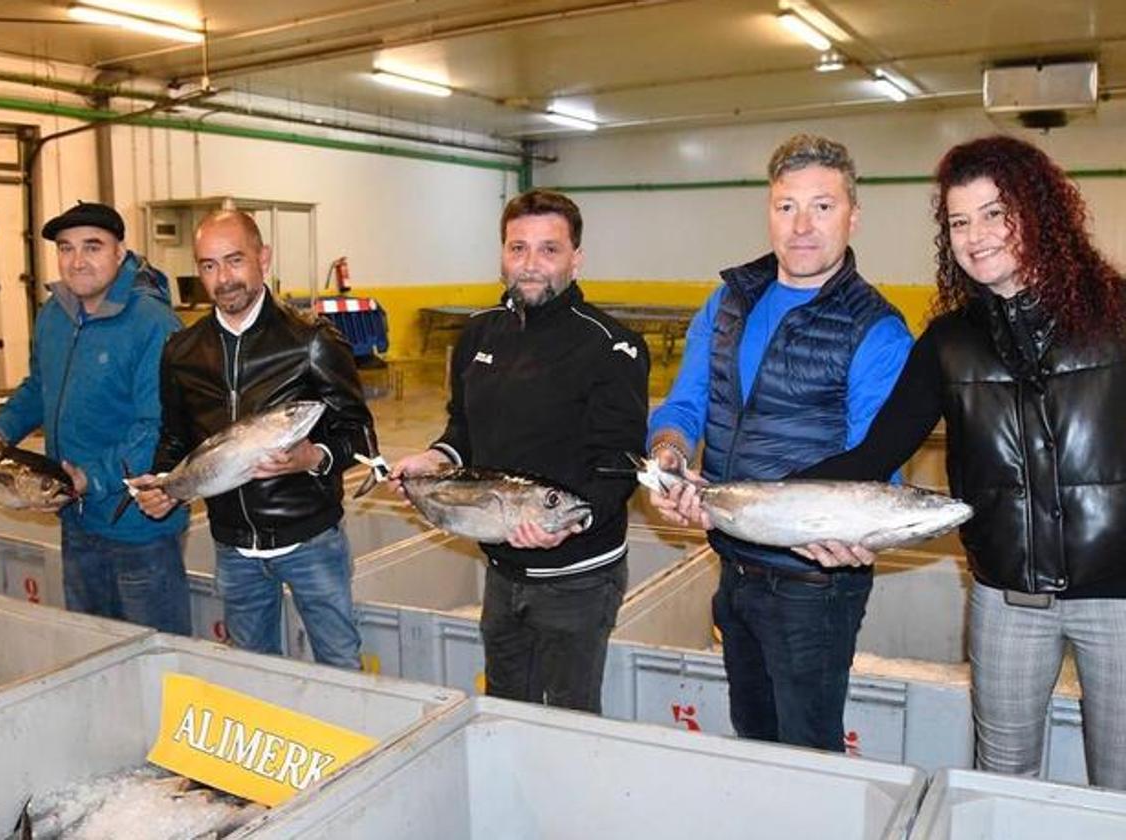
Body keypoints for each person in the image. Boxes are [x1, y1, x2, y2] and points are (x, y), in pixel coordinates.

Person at [796, 135, 1126, 789]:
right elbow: (873, 454)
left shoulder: (1116, 317)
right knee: (1000, 780)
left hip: (1121, 599)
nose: (977, 236)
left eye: (995, 213)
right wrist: (757, 496)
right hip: (1009, 598)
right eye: (959, 221)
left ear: (1038, 213)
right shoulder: (949, 343)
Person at [646, 134, 914, 751]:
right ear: (768, 211)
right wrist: (670, 455)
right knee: (754, 735)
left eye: (822, 206)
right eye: (785, 206)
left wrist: (861, 534)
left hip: (814, 587)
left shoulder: (876, 328)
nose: (801, 226)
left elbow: (879, 465)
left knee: (808, 749)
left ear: (853, 215)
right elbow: (686, 404)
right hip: (735, 566)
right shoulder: (729, 301)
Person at [390, 189, 649, 713]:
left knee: (568, 719)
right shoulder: (479, 333)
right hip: (502, 573)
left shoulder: (611, 345)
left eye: (549, 250)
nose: (531, 265)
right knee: (506, 710)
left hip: (577, 579)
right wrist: (437, 459)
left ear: (576, 257)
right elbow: (463, 426)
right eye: (518, 248)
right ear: (502, 254)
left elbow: (619, 465)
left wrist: (568, 525)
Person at [131, 210, 374, 669]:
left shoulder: (311, 342)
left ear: (263, 258)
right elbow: (175, 438)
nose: (223, 278)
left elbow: (360, 434)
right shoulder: (182, 351)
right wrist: (164, 486)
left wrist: (313, 457)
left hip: (311, 542)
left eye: (234, 260)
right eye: (208, 265)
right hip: (233, 548)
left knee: (340, 664)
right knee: (253, 672)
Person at [0, 201, 192, 633]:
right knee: (92, 647)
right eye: (66, 248)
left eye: (92, 247)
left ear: (120, 253)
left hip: (136, 524)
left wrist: (91, 478)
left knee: (155, 652)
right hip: (75, 519)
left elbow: (155, 428)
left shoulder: (153, 324)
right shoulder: (54, 316)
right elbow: (38, 388)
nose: (77, 261)